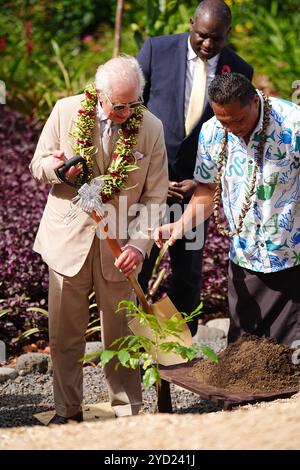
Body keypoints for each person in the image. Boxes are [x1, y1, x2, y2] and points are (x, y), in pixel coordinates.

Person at [30, 56, 168, 424]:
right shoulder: (66, 111)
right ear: (100, 95)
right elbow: (38, 164)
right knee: (64, 336)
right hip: (68, 240)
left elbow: (156, 197)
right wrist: (56, 169)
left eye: (134, 103)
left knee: (121, 338)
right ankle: (66, 410)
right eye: (119, 105)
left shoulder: (151, 128)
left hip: (120, 247)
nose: (127, 111)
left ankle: (128, 413)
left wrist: (139, 246)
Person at [155, 72, 300, 346]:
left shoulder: (293, 123)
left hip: (292, 259)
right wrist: (181, 225)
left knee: (289, 360)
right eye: (224, 121)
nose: (232, 127)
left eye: (238, 120)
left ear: (255, 101)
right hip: (245, 258)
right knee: (243, 356)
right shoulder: (212, 132)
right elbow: (208, 191)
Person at [137, 0, 253, 336]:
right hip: (149, 185)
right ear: (191, 24)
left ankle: (179, 349)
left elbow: (236, 137)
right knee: (139, 265)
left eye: (215, 39)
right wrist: (151, 175)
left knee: (187, 274)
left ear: (226, 35)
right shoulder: (156, 50)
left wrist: (204, 182)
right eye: (201, 35)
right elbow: (133, 112)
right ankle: (136, 345)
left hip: (195, 190)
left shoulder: (239, 68)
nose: (207, 44)